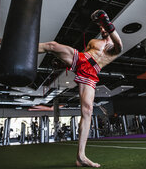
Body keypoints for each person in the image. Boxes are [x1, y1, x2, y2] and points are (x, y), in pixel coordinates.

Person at [38, 10, 123, 167]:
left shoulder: (114, 48)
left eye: (105, 28)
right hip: (82, 60)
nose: (102, 30)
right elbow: (81, 56)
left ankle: (81, 156)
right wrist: (65, 63)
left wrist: (106, 22)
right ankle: (18, 47)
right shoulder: (93, 42)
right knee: (52, 46)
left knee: (87, 110)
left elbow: (119, 44)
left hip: (92, 72)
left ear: (110, 27)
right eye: (102, 28)